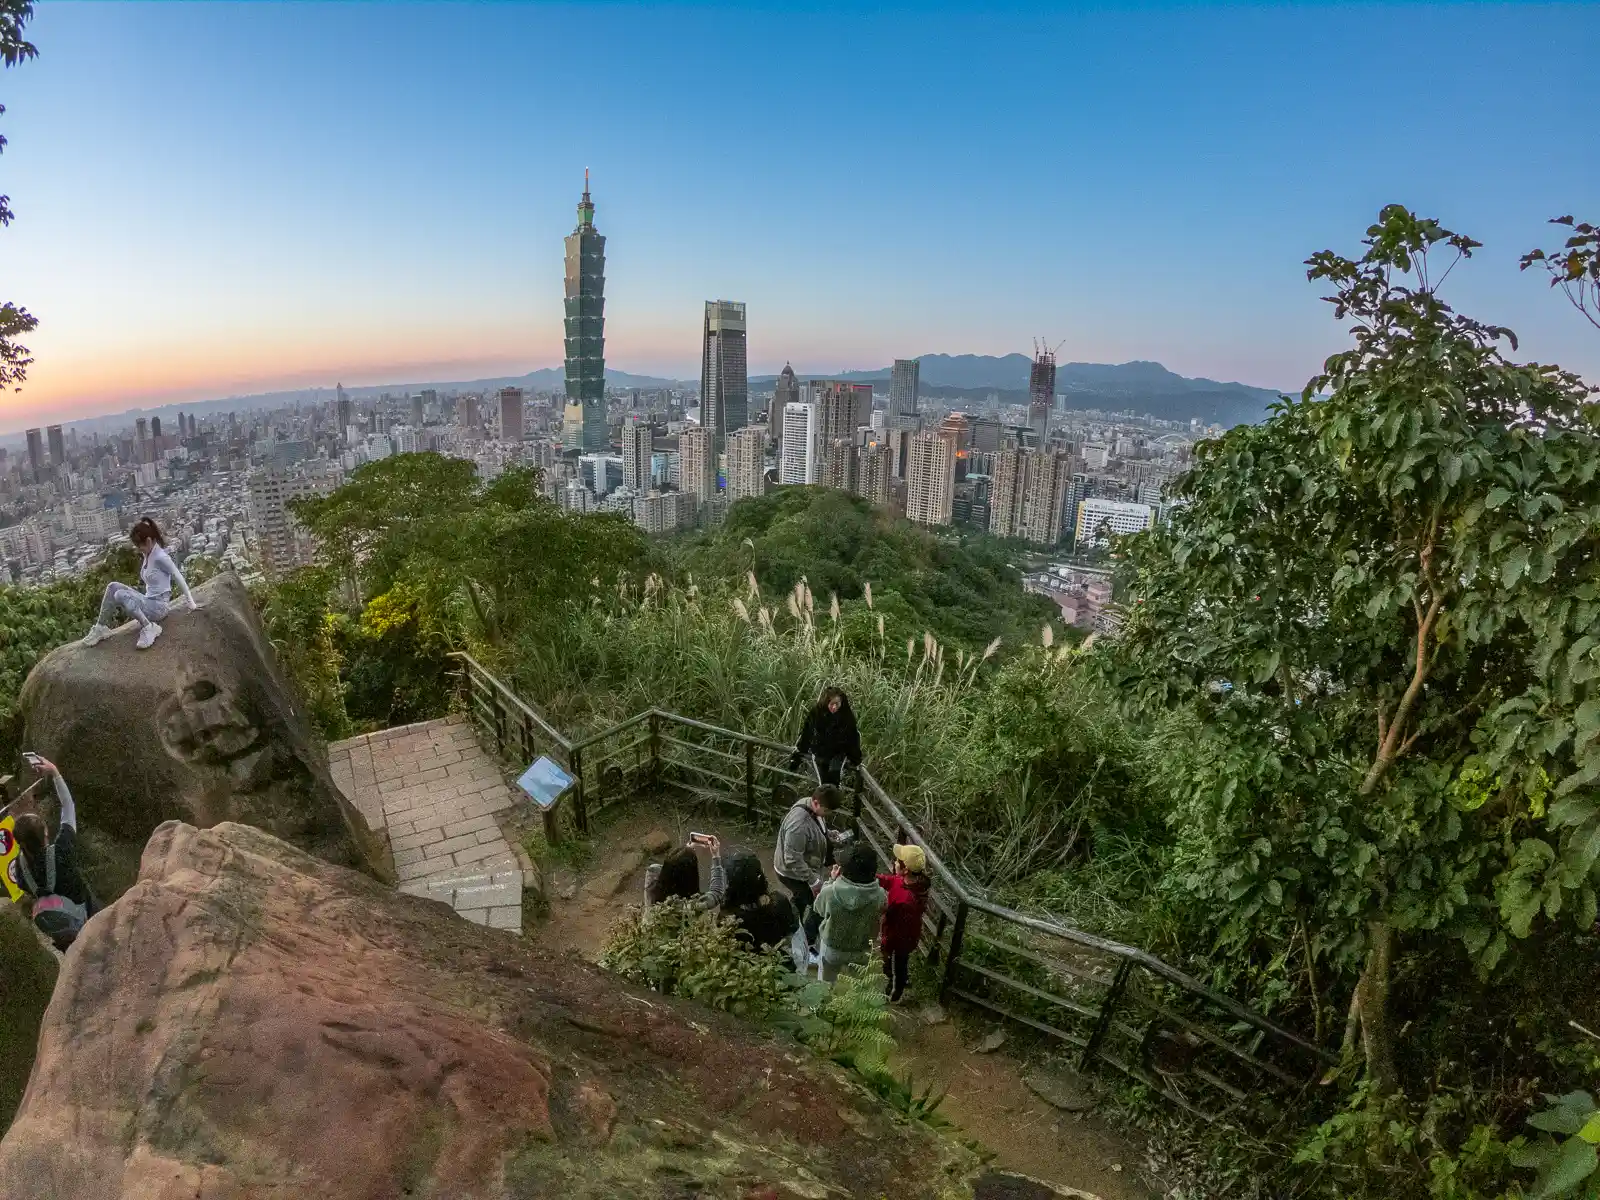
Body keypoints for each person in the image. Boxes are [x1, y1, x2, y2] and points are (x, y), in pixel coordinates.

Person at [10, 756, 99, 952]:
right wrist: (55, 772)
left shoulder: (19, 870)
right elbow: (68, 807)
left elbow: (26, 841)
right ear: (46, 833)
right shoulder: (62, 851)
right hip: (89, 917)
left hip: (63, 932)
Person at [81, 516, 199, 651]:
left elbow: (178, 576)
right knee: (112, 586)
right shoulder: (148, 554)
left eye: (139, 546)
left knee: (120, 594)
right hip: (149, 602)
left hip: (159, 608)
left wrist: (191, 603)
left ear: (148, 541)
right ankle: (100, 627)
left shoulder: (161, 557)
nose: (138, 549)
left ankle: (150, 627)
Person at [773, 784, 842, 960]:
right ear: (816, 803)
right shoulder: (799, 825)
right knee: (818, 903)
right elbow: (792, 859)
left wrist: (827, 834)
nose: (828, 815)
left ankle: (786, 920)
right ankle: (807, 942)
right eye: (827, 811)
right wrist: (814, 882)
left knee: (801, 899)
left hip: (799, 868)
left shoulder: (810, 805)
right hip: (792, 872)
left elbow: (816, 827)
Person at [814, 843, 887, 984]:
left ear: (844, 869)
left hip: (833, 949)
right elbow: (881, 913)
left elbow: (818, 909)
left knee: (824, 984)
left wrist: (831, 881)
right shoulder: (880, 895)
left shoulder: (830, 892)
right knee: (858, 987)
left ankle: (821, 1005)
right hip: (861, 950)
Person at [878, 842, 931, 1003]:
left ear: (906, 869)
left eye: (897, 860)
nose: (894, 862)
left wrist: (885, 943)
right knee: (900, 962)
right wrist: (871, 877)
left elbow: (896, 930)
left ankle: (894, 992)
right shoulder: (909, 883)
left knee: (896, 964)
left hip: (899, 939)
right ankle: (899, 979)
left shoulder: (906, 900)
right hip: (906, 935)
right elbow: (890, 881)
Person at [721, 851, 799, 953]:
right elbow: (792, 928)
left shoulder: (728, 920)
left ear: (730, 885)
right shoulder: (780, 901)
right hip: (779, 960)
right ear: (760, 875)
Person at [789, 687, 862, 786]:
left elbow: (852, 738)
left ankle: (832, 794)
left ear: (842, 703)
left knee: (833, 779)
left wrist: (856, 759)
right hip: (820, 750)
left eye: (837, 704)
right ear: (826, 702)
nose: (834, 707)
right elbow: (807, 733)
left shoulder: (846, 715)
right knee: (822, 781)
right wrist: (800, 750)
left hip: (839, 752)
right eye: (832, 704)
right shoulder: (817, 712)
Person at [643, 835, 726, 911]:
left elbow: (666, 869)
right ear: (691, 879)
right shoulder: (694, 906)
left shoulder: (652, 888)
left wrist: (686, 850)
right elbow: (717, 892)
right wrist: (716, 855)